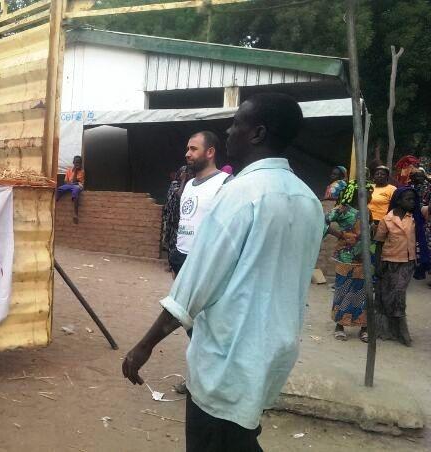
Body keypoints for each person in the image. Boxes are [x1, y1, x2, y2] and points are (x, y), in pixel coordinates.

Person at [122, 93, 323, 452]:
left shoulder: (240, 195)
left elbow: (192, 288)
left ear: (258, 133)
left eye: (237, 124)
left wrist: (144, 346)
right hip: (274, 354)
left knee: (216, 440)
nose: (229, 132)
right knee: (239, 437)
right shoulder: (308, 200)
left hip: (229, 359)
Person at [373, 186, 430, 346]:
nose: (412, 202)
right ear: (398, 201)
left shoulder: (415, 218)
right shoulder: (386, 219)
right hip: (388, 261)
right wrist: (377, 264)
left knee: (398, 294)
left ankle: (401, 332)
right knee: (385, 295)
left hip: (407, 262)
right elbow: (379, 243)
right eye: (408, 199)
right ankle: (384, 329)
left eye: (413, 199)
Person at [169, 131, 230, 276]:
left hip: (204, 261)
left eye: (193, 149)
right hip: (180, 256)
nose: (187, 154)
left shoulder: (225, 183)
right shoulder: (189, 184)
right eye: (187, 149)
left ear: (210, 152)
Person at [325, 181, 373, 342]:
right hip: (345, 259)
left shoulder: (367, 211)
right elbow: (322, 221)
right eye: (367, 193)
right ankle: (340, 326)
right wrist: (339, 235)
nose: (370, 196)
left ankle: (363, 327)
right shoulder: (342, 209)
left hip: (364, 259)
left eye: (371, 193)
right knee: (343, 291)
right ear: (355, 194)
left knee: (363, 293)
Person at [162, 166, 193, 261]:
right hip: (172, 219)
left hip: (182, 219)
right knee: (172, 242)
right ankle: (171, 263)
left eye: (188, 173)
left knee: (179, 241)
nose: (186, 175)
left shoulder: (190, 186)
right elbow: (179, 195)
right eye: (184, 173)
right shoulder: (175, 184)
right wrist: (183, 180)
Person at [56, 155, 85, 223]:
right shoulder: (69, 170)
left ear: (81, 163)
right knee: (59, 189)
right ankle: (56, 201)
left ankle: (75, 214)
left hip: (78, 186)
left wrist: (75, 171)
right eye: (76, 162)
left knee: (75, 191)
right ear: (73, 162)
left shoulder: (82, 171)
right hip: (70, 185)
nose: (78, 164)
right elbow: (66, 181)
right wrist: (70, 183)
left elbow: (75, 182)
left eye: (79, 163)